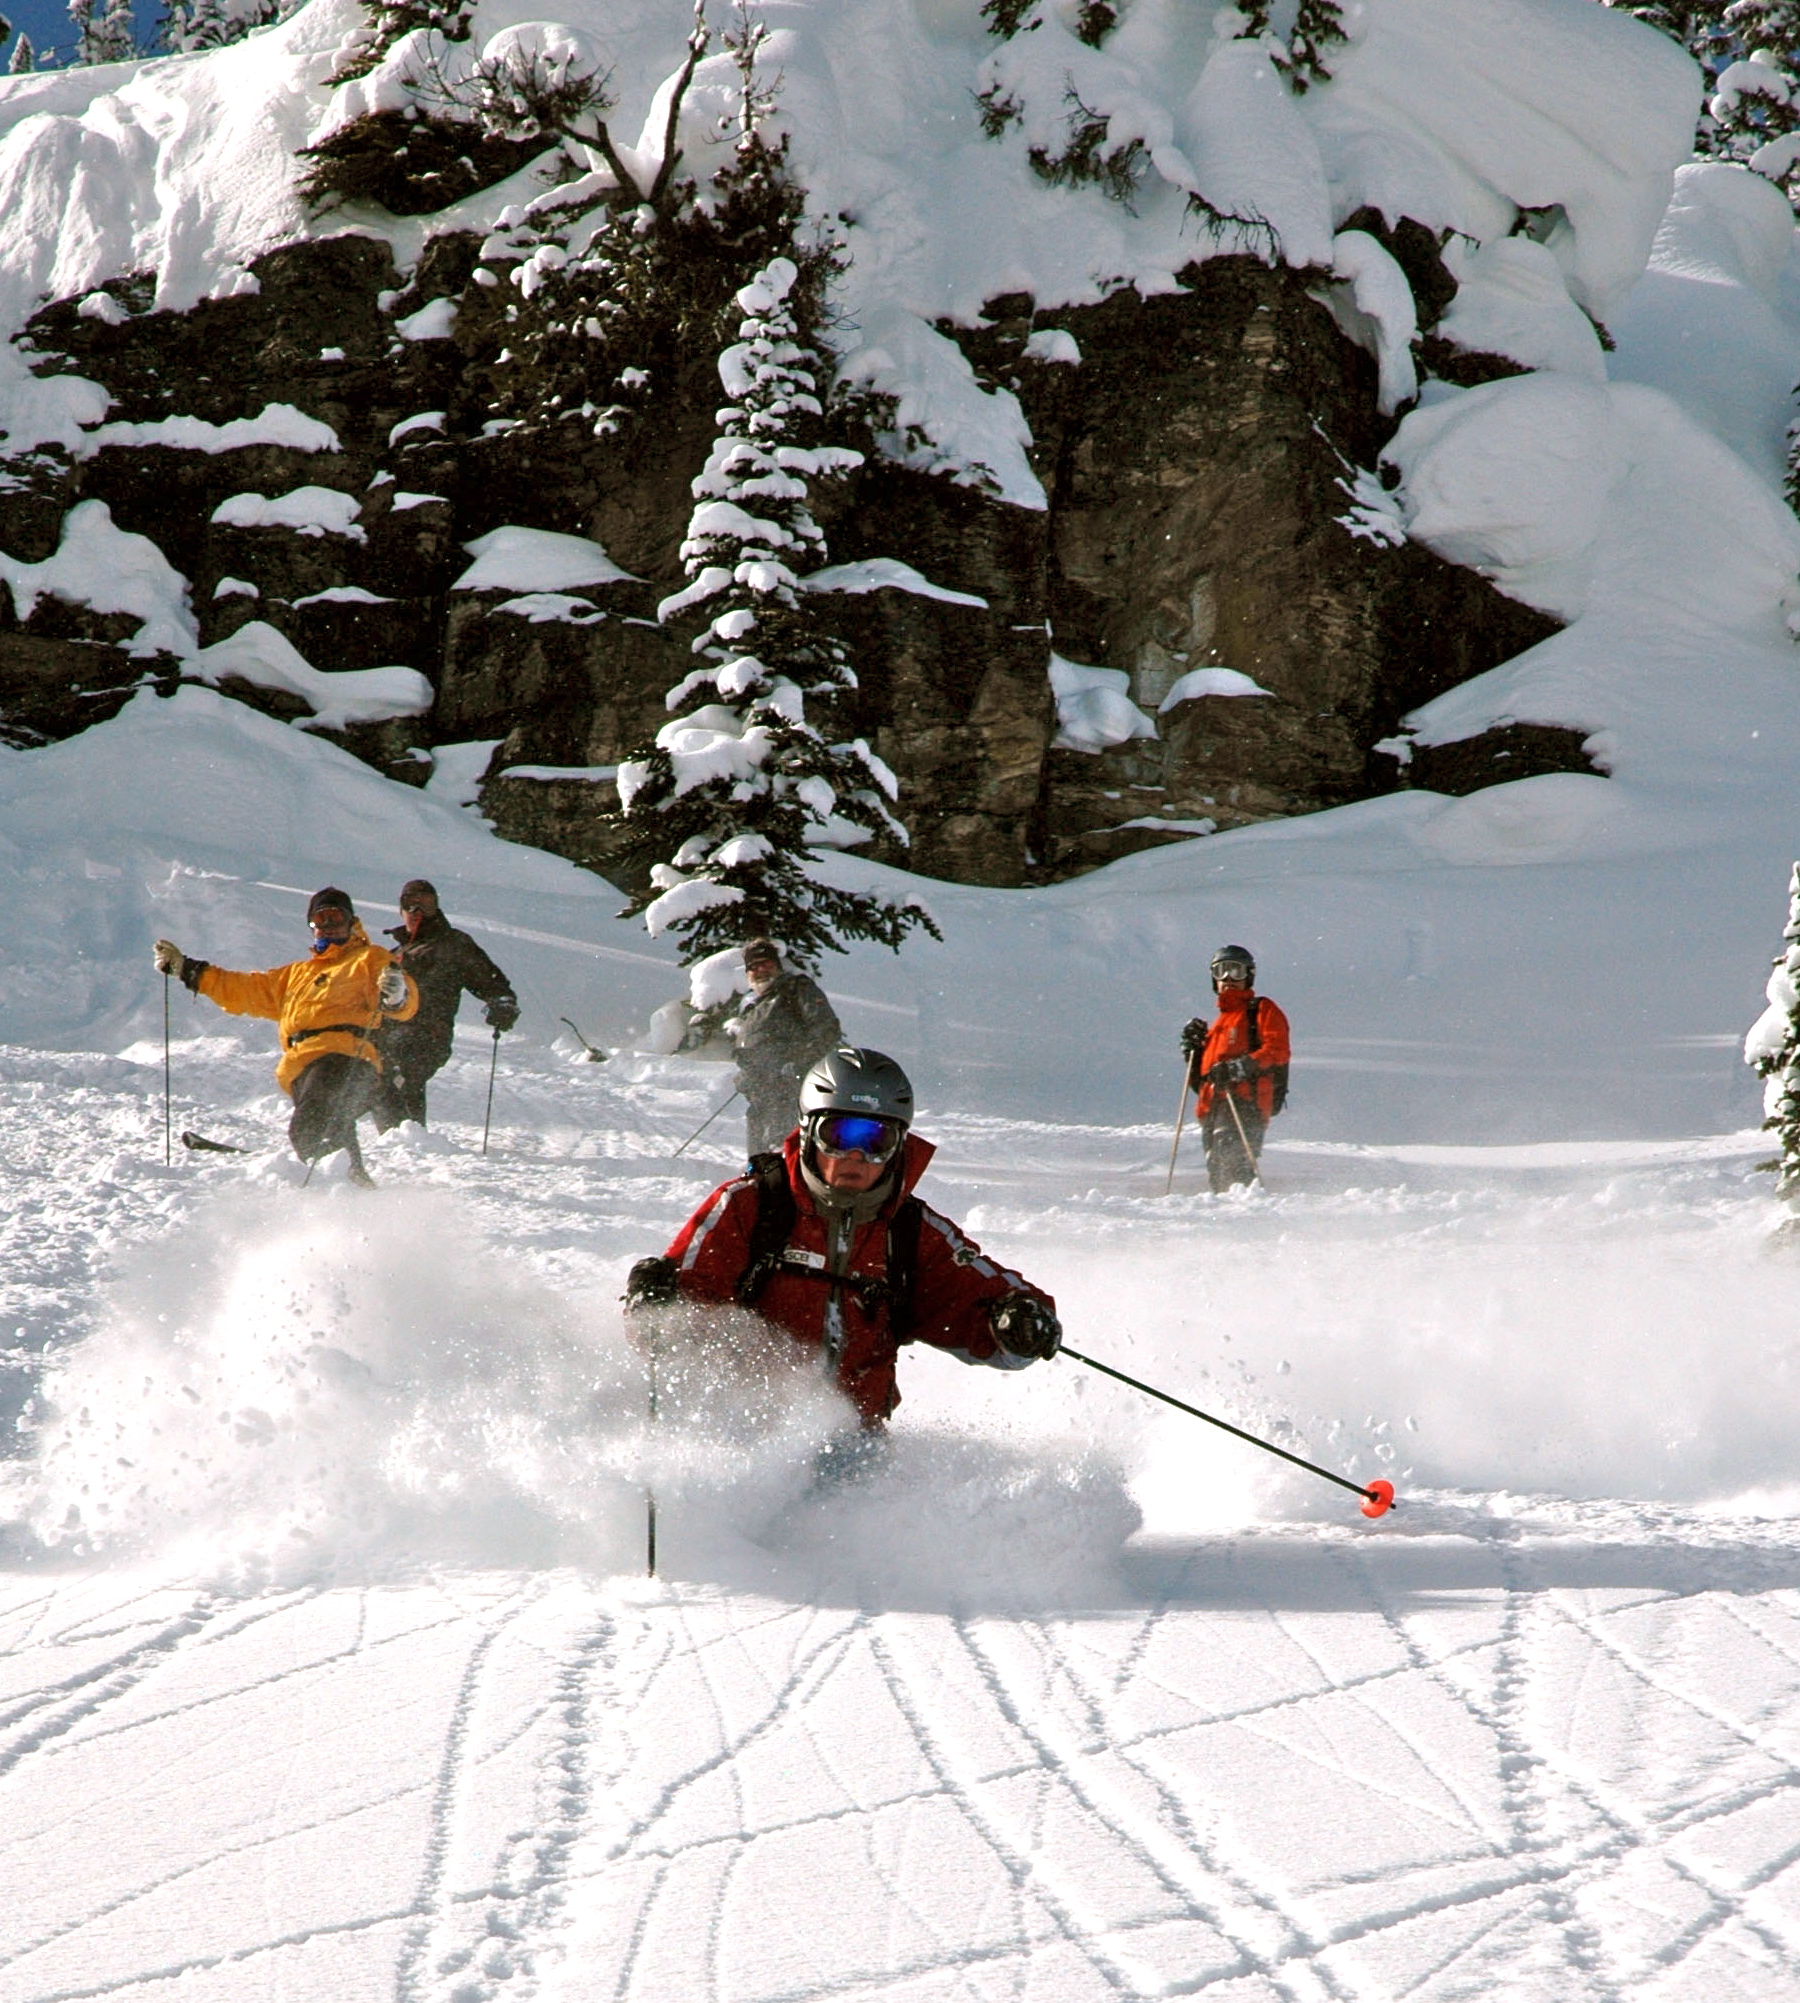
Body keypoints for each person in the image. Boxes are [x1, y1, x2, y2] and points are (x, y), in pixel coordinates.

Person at [625, 1046, 1062, 1428]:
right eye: (840, 1135)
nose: (856, 1155)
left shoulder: (909, 1232)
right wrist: (658, 1308)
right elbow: (678, 1323)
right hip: (741, 1438)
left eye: (876, 1139)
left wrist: (1019, 1323)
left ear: (899, 1145)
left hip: (856, 1447)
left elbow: (980, 1300)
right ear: (810, 1131)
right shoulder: (752, 1207)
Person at [153, 887, 418, 1184]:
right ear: (311, 926)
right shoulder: (295, 975)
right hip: (303, 1068)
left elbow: (402, 1000)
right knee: (327, 1126)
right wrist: (188, 969)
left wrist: (396, 994)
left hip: (346, 1058)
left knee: (312, 1125)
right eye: (321, 919)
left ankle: (340, 1182)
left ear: (352, 922)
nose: (328, 926)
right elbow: (243, 989)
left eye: (336, 917)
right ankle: (349, 1185)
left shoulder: (368, 958)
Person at [376, 879, 519, 1127]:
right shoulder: (393, 955)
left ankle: (407, 1137)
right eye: (410, 905)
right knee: (374, 1076)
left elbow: (488, 978)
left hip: (428, 1033)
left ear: (437, 909)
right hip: (387, 1035)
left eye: (426, 905)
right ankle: (398, 1138)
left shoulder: (452, 944)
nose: (417, 912)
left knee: (400, 1071)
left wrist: (501, 1002)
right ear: (400, 910)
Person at [1180, 944, 1291, 1192]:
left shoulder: (1260, 1010)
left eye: (1236, 971)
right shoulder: (1218, 1025)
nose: (1229, 978)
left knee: (1231, 1159)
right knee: (1218, 1167)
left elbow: (1277, 1050)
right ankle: (1230, 1214)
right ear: (1214, 979)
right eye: (1221, 971)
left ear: (1248, 976)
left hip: (1245, 1103)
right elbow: (1202, 1081)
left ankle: (1245, 1213)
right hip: (1213, 1108)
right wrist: (1192, 1053)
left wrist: (1239, 1068)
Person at [726, 938, 842, 1156]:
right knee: (760, 1156)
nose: (761, 970)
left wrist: (797, 1063)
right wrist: (745, 1075)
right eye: (754, 967)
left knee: (782, 1149)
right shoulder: (755, 1006)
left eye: (767, 964)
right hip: (761, 1095)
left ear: (777, 966)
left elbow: (826, 1028)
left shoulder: (795, 989)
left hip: (788, 1089)